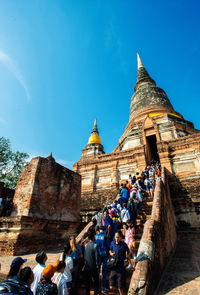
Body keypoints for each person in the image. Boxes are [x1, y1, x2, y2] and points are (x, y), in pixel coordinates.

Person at [95, 226, 109, 292]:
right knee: (103, 271)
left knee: (97, 271)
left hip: (98, 254)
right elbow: (108, 245)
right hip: (104, 254)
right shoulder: (105, 236)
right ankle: (103, 287)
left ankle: (97, 287)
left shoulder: (96, 236)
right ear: (104, 230)